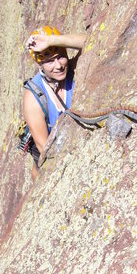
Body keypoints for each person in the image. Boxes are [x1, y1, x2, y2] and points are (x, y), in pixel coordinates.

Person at [23, 25, 86, 178]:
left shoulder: (73, 69)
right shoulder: (34, 97)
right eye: (50, 61)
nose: (58, 66)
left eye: (61, 56)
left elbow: (92, 41)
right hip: (52, 150)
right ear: (40, 65)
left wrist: (52, 40)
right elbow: (45, 149)